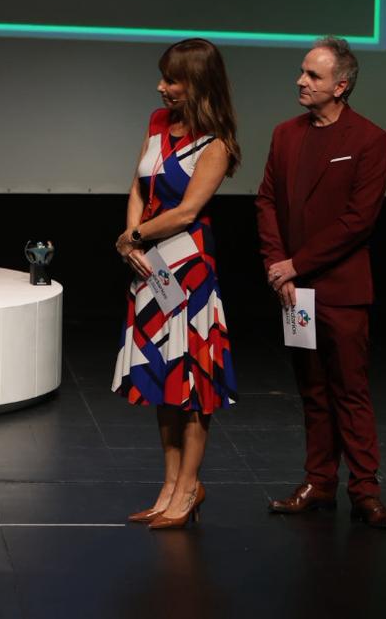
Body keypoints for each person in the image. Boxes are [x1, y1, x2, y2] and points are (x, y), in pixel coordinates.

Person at [257, 36, 386, 529]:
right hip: (294, 289)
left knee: (349, 391)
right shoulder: (285, 134)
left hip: (341, 288)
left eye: (313, 75)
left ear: (341, 86)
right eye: (302, 71)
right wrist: (277, 264)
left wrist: (296, 264)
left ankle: (365, 491)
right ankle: (319, 483)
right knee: (312, 389)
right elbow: (267, 201)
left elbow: (359, 220)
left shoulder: (369, 139)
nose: (301, 81)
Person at [110, 38, 241, 531]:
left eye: (172, 79)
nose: (161, 87)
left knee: (193, 383)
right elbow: (138, 185)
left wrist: (134, 236)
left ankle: (189, 487)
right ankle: (167, 487)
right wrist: (133, 242)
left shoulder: (217, 144)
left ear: (198, 83)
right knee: (163, 378)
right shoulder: (157, 123)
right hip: (150, 267)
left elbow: (187, 212)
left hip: (188, 271)